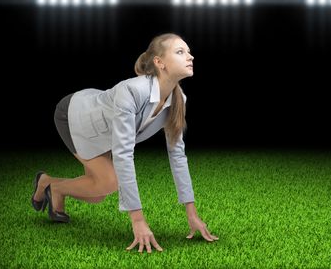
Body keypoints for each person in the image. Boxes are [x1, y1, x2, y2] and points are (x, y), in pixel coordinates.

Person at [31, 33, 218, 253]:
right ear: (159, 63)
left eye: (189, 51)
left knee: (98, 194)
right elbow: (124, 153)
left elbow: (177, 156)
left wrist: (192, 214)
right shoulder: (132, 90)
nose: (190, 56)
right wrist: (137, 220)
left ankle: (50, 184)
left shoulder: (179, 101)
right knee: (108, 182)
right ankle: (53, 187)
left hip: (105, 130)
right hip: (76, 115)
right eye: (180, 52)